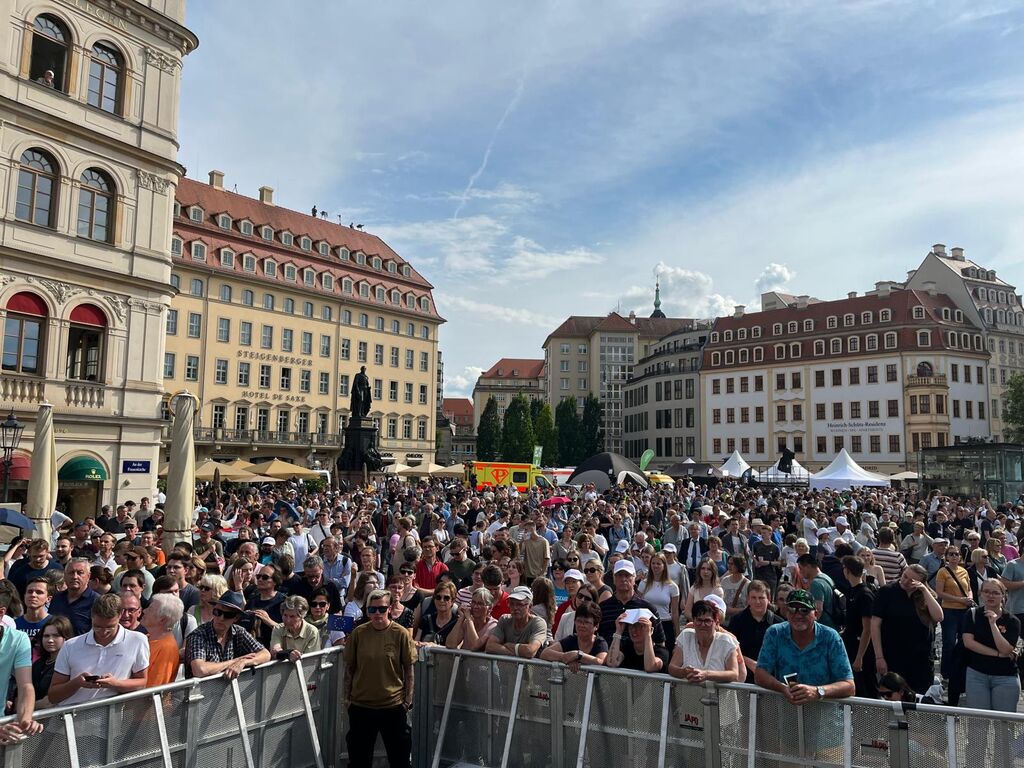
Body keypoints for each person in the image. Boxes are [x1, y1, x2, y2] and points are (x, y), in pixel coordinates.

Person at [344, 588, 416, 768]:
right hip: (361, 706)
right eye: (372, 609)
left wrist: (407, 701)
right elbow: (349, 668)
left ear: (389, 609)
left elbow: (409, 669)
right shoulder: (358, 633)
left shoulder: (401, 633)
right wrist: (347, 699)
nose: (377, 613)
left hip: (393, 706)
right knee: (359, 762)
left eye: (382, 609)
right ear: (367, 611)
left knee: (400, 761)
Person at [755, 588, 854, 705]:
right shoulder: (775, 633)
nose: (798, 615)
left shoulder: (830, 637)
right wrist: (782, 688)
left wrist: (817, 692)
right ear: (786, 613)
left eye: (804, 610)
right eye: (792, 609)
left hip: (823, 713)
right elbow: (760, 674)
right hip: (786, 711)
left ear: (816, 614)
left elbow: (849, 686)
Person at [48, 594, 149, 705]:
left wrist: (115, 684)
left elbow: (142, 682)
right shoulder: (70, 646)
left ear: (120, 615)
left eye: (110, 627)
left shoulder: (138, 640)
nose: (103, 632)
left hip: (113, 714)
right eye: (98, 626)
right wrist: (77, 683)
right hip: (73, 713)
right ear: (91, 616)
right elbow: (53, 696)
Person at [871, 564, 944, 694]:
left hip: (921, 659)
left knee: (920, 696)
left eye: (911, 580)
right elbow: (875, 624)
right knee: (895, 694)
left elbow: (939, 617)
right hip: (893, 656)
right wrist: (879, 657)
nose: (905, 581)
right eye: (904, 576)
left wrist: (924, 591)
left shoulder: (923, 595)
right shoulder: (887, 591)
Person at [961, 578, 1020, 711]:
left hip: (1005, 676)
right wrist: (997, 654)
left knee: (1004, 720)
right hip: (977, 674)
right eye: (986, 592)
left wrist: (993, 624)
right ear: (981, 594)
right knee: (978, 720)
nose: (990, 596)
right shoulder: (972, 614)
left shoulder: (1012, 621)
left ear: (1003, 595)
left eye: (995, 593)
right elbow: (969, 643)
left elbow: (1005, 650)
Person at [185, 592, 270, 679]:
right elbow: (200, 670)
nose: (221, 618)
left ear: (236, 618)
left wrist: (244, 662)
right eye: (218, 612)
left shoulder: (239, 632)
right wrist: (235, 661)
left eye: (228, 615)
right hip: (200, 688)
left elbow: (266, 654)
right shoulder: (199, 635)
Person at [668, 594, 743, 684]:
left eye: (707, 621)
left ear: (716, 622)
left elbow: (734, 674)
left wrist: (706, 675)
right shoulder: (685, 636)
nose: (703, 625)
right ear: (693, 620)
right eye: (699, 620)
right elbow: (672, 667)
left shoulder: (727, 641)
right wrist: (684, 672)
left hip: (718, 693)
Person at [729, 580, 785, 684]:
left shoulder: (780, 624)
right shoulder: (736, 621)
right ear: (748, 599)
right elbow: (730, 650)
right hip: (743, 679)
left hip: (771, 679)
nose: (757, 602)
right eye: (754, 598)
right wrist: (747, 661)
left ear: (769, 599)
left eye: (761, 598)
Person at [839, 555, 877, 698]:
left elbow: (867, 629)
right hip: (850, 644)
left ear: (847, 570)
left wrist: (859, 657)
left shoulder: (865, 595)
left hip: (861, 649)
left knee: (866, 687)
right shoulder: (852, 591)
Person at [935, 547, 973, 682]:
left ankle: (960, 670)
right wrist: (959, 600)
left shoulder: (964, 571)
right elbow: (940, 593)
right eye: (951, 554)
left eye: (957, 554)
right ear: (946, 557)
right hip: (949, 610)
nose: (954, 556)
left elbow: (969, 589)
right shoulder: (942, 572)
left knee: (964, 642)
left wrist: (969, 598)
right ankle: (946, 673)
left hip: (964, 610)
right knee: (949, 642)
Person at [540, 601, 608, 672]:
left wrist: (578, 655)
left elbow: (600, 661)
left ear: (596, 626)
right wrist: (564, 657)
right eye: (579, 621)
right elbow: (544, 653)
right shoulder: (571, 639)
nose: (582, 625)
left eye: (586, 622)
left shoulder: (600, 642)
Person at [484, 586, 547, 658]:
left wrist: (508, 645)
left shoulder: (538, 623)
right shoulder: (504, 619)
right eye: (512, 604)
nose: (515, 608)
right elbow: (490, 646)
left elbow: (530, 651)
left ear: (530, 606)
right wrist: (516, 652)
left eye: (520, 604)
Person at [605, 608, 668, 672]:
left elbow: (650, 667)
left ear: (651, 630)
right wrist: (618, 632)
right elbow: (611, 663)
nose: (633, 630)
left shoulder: (661, 651)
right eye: (631, 626)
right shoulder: (626, 648)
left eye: (640, 626)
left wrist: (648, 635)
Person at [142, 594, 184, 687]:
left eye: (150, 609)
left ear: (162, 620)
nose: (144, 611)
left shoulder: (167, 648)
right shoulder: (146, 637)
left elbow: (154, 687)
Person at [33, 615, 73, 708]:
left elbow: (49, 702)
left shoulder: (70, 664)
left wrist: (30, 705)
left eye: (56, 636)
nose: (50, 640)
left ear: (66, 638)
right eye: (46, 636)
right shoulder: (38, 664)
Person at [49, 558, 97, 635]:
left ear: (88, 576)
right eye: (71, 573)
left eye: (80, 573)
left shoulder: (97, 601)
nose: (75, 577)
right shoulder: (56, 598)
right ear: (65, 575)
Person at [638, 552, 680, 640]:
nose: (655, 566)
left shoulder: (672, 586)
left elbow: (675, 612)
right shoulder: (643, 584)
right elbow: (638, 606)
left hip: (665, 623)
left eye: (658, 563)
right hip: (647, 623)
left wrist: (677, 633)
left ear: (664, 566)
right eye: (653, 563)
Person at [270, 595, 321, 660]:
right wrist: (288, 654)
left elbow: (310, 660)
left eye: (292, 616)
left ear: (302, 617)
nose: (288, 620)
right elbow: (275, 651)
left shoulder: (312, 632)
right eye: (285, 615)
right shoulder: (278, 629)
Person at [683, 558, 725, 623]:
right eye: (703, 568)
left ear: (713, 572)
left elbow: (718, 614)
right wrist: (698, 622)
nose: (705, 571)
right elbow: (687, 612)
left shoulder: (718, 591)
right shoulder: (694, 588)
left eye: (709, 569)